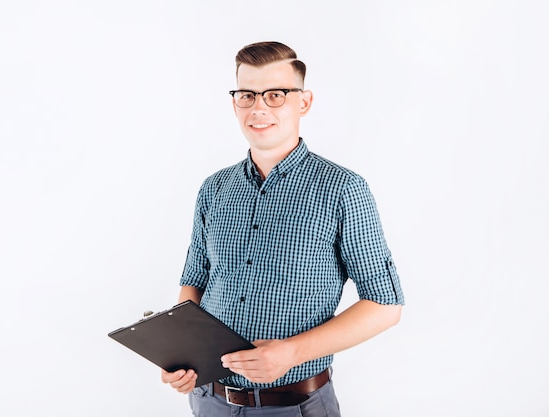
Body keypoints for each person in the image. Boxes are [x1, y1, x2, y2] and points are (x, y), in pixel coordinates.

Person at [161, 41, 405, 416]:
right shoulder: (214, 189)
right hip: (209, 401)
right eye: (247, 95)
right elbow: (195, 280)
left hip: (294, 404)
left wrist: (291, 353)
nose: (259, 108)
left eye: (275, 95)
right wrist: (181, 354)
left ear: (303, 102)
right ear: (235, 103)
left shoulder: (343, 189)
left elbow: (385, 305)